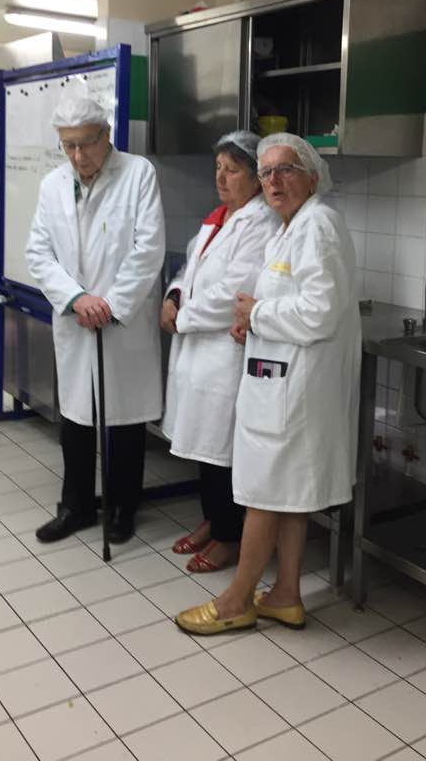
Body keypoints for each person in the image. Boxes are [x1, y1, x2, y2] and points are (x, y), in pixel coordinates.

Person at [176, 133, 360, 634]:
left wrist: (257, 315)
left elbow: (319, 312)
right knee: (289, 495)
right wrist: (253, 322)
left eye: (286, 170)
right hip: (284, 384)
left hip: (294, 390)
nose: (274, 180)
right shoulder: (290, 227)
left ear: (312, 177)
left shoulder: (317, 225)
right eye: (266, 172)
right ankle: (285, 595)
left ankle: (236, 601)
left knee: (263, 493)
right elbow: (287, 300)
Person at [25, 96, 165, 545]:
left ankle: (123, 508)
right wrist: (77, 299)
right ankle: (77, 506)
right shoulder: (52, 185)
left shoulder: (138, 174)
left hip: (121, 320)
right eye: (68, 145)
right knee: (76, 419)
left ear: (107, 135)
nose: (78, 155)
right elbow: (38, 253)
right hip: (76, 318)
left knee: (123, 420)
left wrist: (111, 304)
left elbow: (149, 250)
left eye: (87, 143)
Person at [161, 131, 279, 572]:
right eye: (218, 168)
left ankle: (229, 536)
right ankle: (213, 521)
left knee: (223, 451)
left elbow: (234, 290)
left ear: (255, 178)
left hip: (224, 355)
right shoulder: (218, 219)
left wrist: (183, 317)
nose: (221, 178)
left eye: (232, 170)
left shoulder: (261, 223)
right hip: (198, 351)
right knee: (203, 448)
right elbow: (189, 270)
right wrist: (173, 295)